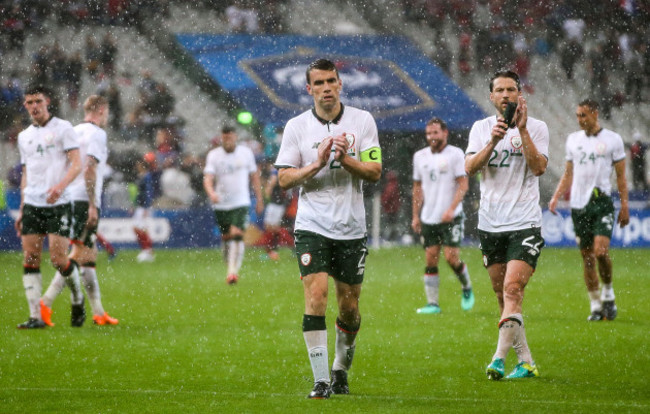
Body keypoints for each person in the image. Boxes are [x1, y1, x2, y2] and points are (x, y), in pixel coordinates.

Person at [274, 59, 382, 399]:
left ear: (340, 84)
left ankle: (340, 370)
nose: (326, 88)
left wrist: (345, 158)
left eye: (331, 81)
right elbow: (283, 178)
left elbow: (375, 170)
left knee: (349, 307)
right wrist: (317, 163)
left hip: (351, 228)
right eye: (318, 83)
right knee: (316, 295)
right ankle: (321, 380)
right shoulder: (296, 127)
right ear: (309, 89)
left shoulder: (362, 121)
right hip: (312, 226)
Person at [465, 70, 549, 380]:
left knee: (513, 289)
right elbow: (470, 168)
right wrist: (493, 141)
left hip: (524, 223)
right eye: (499, 89)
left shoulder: (537, 127)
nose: (505, 95)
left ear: (519, 94)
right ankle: (526, 361)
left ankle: (498, 359)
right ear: (491, 96)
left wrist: (522, 131)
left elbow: (539, 168)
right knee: (504, 298)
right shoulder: (481, 128)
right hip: (490, 224)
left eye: (510, 89)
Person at [40, 95, 119, 327]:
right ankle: (45, 302)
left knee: (89, 255)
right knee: (79, 254)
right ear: (102, 110)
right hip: (84, 199)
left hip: (68, 197)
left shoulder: (72, 131)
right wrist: (93, 203)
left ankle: (98, 312)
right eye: (107, 112)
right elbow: (89, 168)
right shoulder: (97, 134)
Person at [549, 99, 629, 322]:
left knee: (601, 252)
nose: (579, 120)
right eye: (577, 115)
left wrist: (624, 205)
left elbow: (621, 177)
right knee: (587, 258)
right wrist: (555, 197)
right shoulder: (573, 140)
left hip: (601, 201)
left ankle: (609, 293)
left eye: (583, 115)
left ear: (595, 113)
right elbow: (568, 173)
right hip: (578, 205)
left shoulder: (613, 140)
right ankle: (595, 306)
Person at [15, 84, 84, 329]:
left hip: (59, 203)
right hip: (33, 203)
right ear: (25, 105)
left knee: (58, 259)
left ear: (47, 102)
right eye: (29, 102)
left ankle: (77, 297)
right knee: (31, 256)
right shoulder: (24, 137)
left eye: (38, 101)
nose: (34, 106)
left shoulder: (63, 128)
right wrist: (23, 208)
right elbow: (26, 173)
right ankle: (36, 317)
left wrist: (60, 186)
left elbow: (77, 164)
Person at [411, 117, 474, 315]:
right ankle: (433, 305)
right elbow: (417, 188)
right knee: (430, 260)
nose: (432, 137)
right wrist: (415, 215)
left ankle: (466, 286)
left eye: (435, 133)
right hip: (429, 217)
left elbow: (463, 184)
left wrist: (451, 209)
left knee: (451, 258)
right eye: (429, 133)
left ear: (445, 133)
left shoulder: (455, 154)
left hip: (451, 217)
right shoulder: (419, 156)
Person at [203, 125, 264, 284]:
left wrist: (259, 199)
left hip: (241, 202)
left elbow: (254, 177)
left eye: (230, 137)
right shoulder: (214, 155)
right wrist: (211, 193)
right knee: (226, 237)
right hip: (221, 204)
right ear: (221, 138)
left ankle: (232, 272)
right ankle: (229, 264)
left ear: (235, 137)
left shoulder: (245, 153)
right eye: (225, 138)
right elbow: (208, 178)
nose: (227, 141)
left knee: (237, 233)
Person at [133, 152, 161, 262]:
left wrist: (146, 207)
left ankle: (147, 251)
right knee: (139, 228)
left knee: (140, 228)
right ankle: (146, 250)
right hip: (140, 206)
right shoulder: (142, 176)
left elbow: (148, 192)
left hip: (144, 207)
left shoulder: (147, 176)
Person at [261, 166, 292, 260]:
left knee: (272, 227)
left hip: (276, 203)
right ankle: (272, 251)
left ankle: (273, 251)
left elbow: (271, 184)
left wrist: (267, 192)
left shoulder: (277, 171)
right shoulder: (286, 170)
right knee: (272, 227)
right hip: (280, 203)